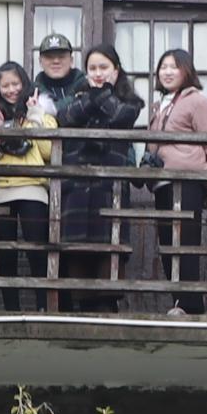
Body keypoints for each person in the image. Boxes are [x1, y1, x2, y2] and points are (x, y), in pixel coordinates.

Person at [56, 43, 143, 307]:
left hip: (109, 191)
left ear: (116, 70)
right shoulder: (75, 98)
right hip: (76, 190)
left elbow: (120, 116)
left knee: (109, 265)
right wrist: (92, 96)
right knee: (78, 267)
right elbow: (65, 117)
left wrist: (101, 93)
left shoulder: (129, 101)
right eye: (92, 68)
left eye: (103, 67)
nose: (98, 73)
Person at [146, 45, 207, 310]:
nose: (167, 72)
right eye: (163, 67)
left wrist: (206, 181)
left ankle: (191, 306)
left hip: (187, 182)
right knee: (168, 245)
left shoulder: (198, 102)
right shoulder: (160, 104)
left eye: (174, 67)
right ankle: (179, 303)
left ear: (186, 71)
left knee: (186, 245)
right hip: (162, 183)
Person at [0, 59, 56, 293]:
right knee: (5, 255)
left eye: (15, 84)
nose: (11, 90)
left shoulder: (41, 113)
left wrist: (35, 117)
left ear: (25, 83)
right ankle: (10, 308)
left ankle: (43, 306)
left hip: (33, 188)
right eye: (5, 85)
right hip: (2, 190)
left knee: (37, 250)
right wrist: (2, 142)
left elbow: (49, 152)